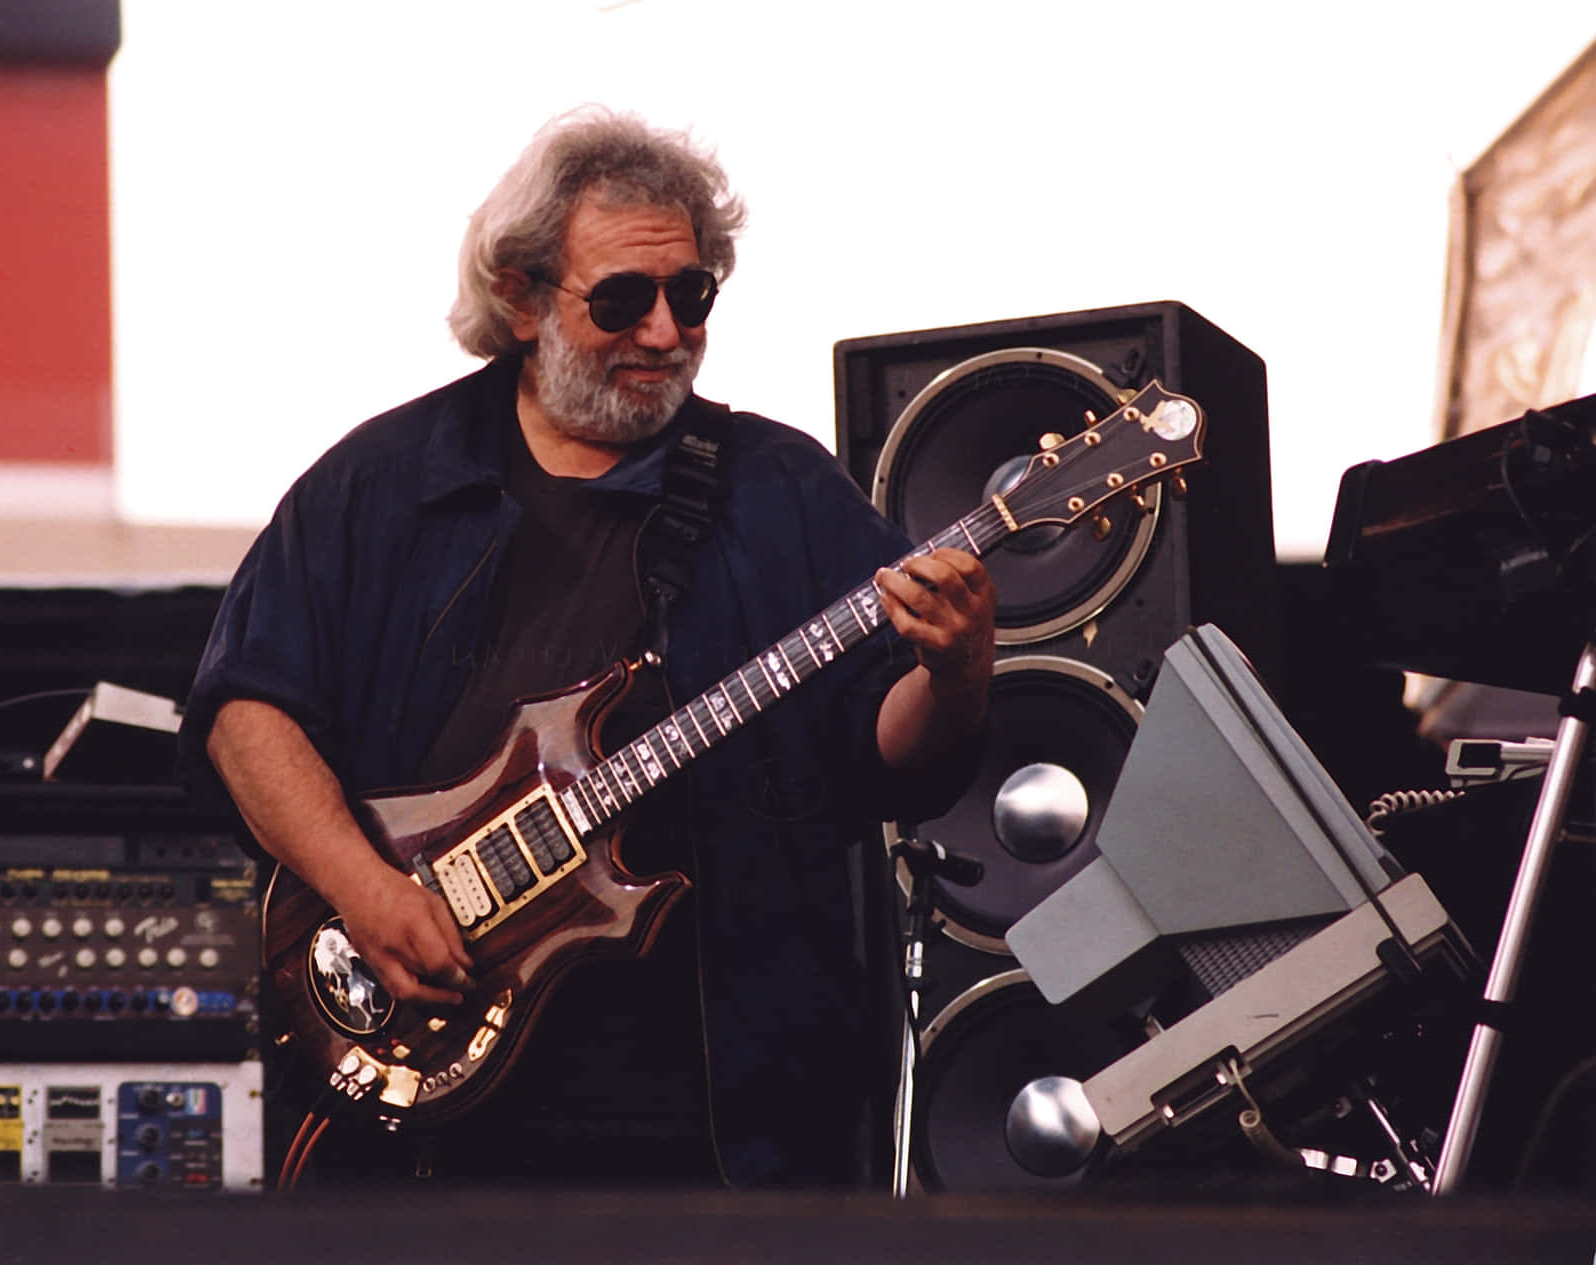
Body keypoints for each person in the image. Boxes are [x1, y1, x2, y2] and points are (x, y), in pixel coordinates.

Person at [181, 106, 997, 1190]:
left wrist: (957, 667)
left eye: (691, 294)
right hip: (424, 1131)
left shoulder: (784, 490)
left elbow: (887, 752)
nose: (665, 332)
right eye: (623, 298)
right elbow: (247, 710)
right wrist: (367, 890)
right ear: (522, 298)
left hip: (712, 1130)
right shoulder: (383, 482)